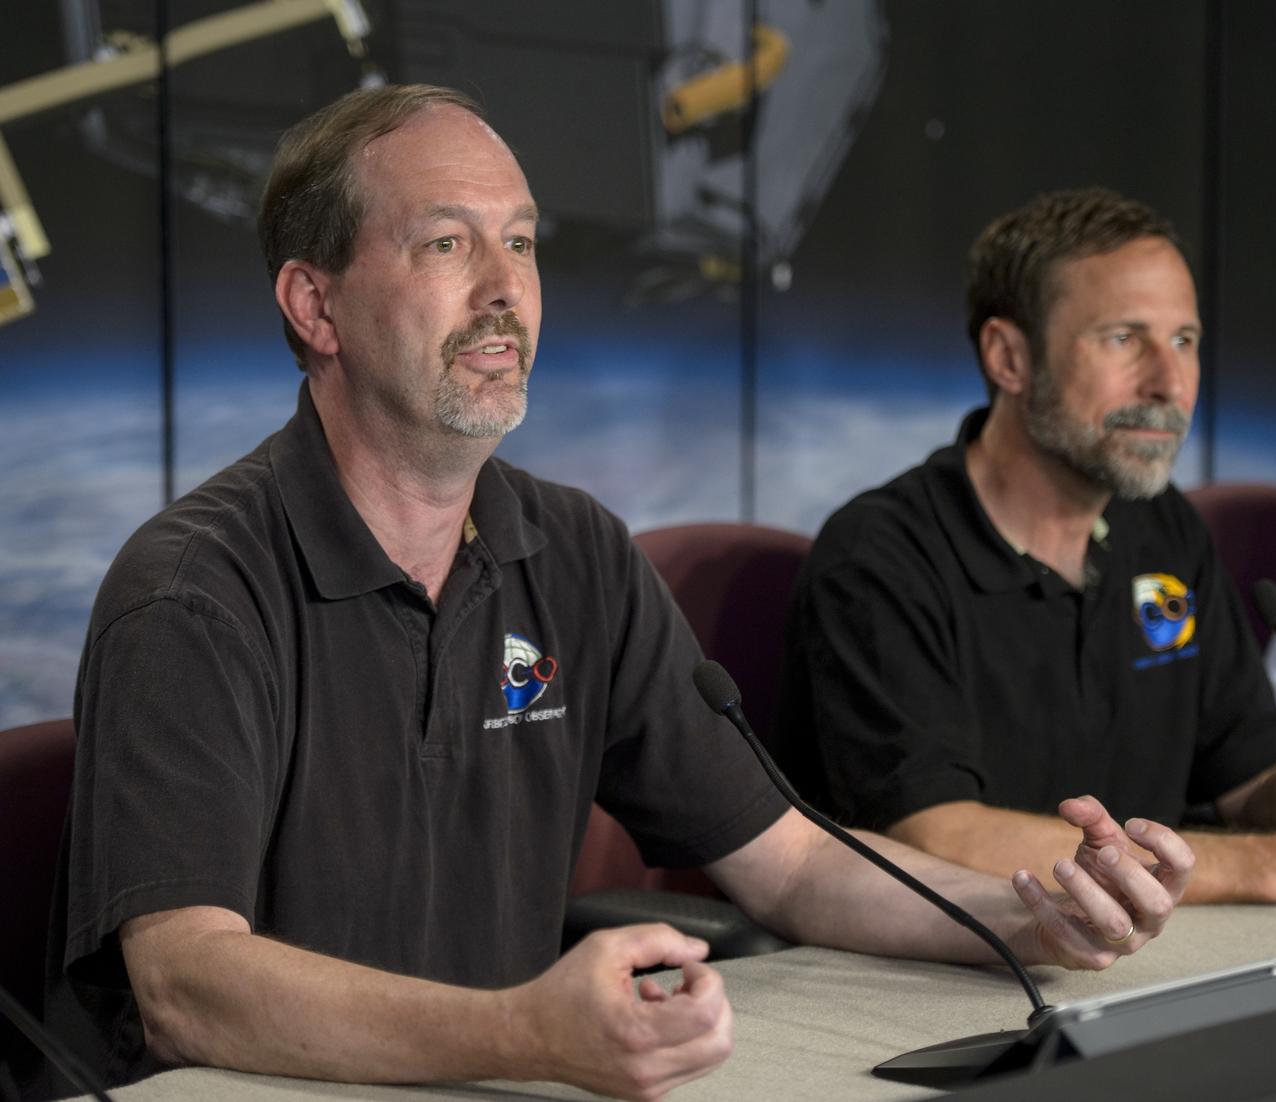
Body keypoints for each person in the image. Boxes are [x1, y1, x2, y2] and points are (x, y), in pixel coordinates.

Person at [47, 95, 1192, 1101]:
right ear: (315, 304)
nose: (506, 291)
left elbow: (788, 862)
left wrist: (1033, 913)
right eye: (447, 243)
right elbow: (187, 985)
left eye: (524, 244)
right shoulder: (195, 590)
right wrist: (521, 1029)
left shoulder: (575, 550)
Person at [776, 187, 1276, 910]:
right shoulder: (880, 558)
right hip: (948, 988)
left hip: (1148, 967)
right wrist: (1258, 869)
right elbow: (934, 839)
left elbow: (1248, 777)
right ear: (1009, 358)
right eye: (1123, 339)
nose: (1169, 383)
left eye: (1184, 340)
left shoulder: (1165, 530)